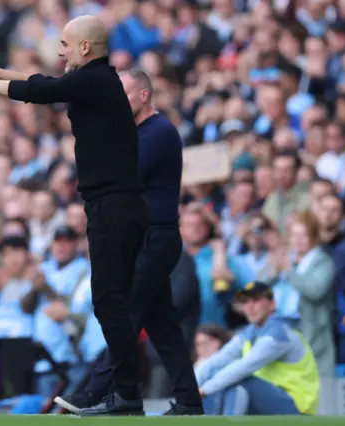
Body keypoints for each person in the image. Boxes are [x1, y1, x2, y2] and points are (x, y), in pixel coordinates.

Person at [0, 15, 151, 415]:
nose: (59, 50)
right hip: (108, 205)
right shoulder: (93, 82)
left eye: (64, 44)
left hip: (115, 205)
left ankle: (125, 393)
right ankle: (121, 391)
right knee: (116, 302)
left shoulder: (94, 80)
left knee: (111, 302)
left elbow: (39, 90)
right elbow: (40, 80)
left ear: (85, 49)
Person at [52, 68, 204, 415]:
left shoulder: (158, 131)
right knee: (162, 325)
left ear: (144, 95)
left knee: (125, 314)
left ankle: (96, 391)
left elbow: (120, 173)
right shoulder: (136, 133)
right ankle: (189, 400)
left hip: (155, 237)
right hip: (143, 239)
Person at [196, 282, 320, 416]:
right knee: (216, 375)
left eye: (256, 300)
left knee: (238, 380)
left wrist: (204, 389)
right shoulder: (250, 332)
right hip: (271, 401)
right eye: (245, 302)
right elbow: (217, 360)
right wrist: (189, 389)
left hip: (297, 408)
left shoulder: (279, 333)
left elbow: (245, 366)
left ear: (272, 304)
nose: (249, 307)